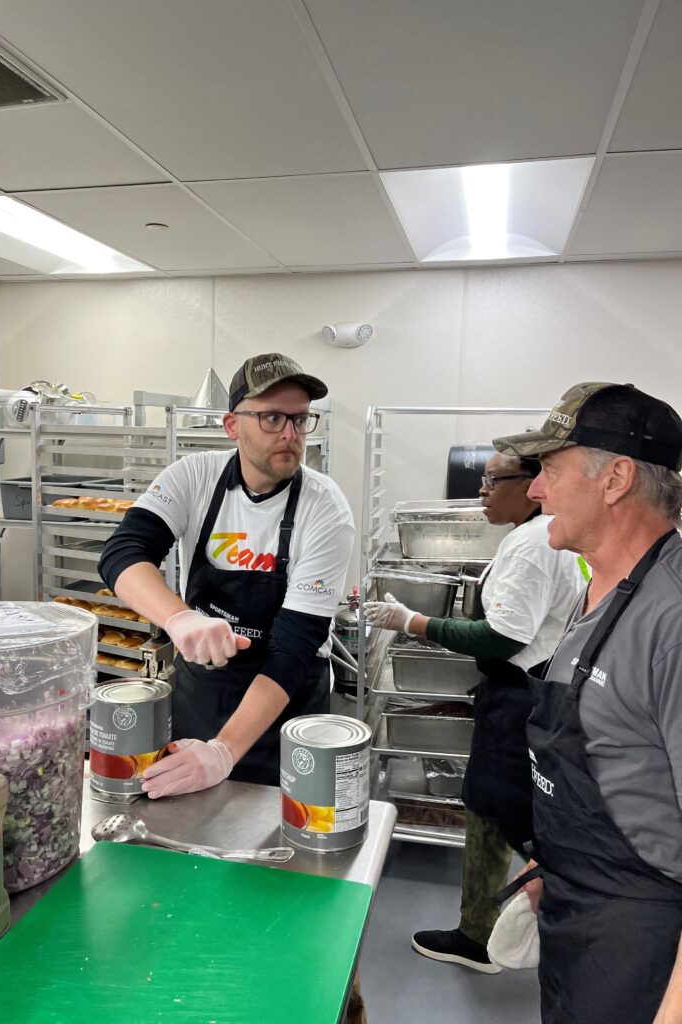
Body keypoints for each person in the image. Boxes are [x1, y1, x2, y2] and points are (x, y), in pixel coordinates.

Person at [493, 382, 682, 1024]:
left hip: (644, 948)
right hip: (576, 911)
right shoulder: (600, 587)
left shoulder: (673, 619)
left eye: (548, 468)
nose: (536, 490)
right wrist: (560, 859)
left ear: (616, 478)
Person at [364, 451, 585, 973]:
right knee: (500, 807)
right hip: (536, 687)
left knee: (499, 807)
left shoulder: (533, 545)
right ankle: (502, 924)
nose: (482, 491)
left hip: (519, 694)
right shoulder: (550, 534)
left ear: (533, 485)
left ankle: (485, 937)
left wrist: (413, 621)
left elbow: (503, 636)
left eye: (492, 481)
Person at [98, 352, 354, 797]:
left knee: (277, 835)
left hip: (284, 700)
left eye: (300, 419)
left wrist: (223, 752)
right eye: (273, 418)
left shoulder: (325, 508)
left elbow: (293, 648)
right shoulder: (193, 476)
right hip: (204, 686)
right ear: (232, 425)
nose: (292, 435)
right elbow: (124, 551)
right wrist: (180, 619)